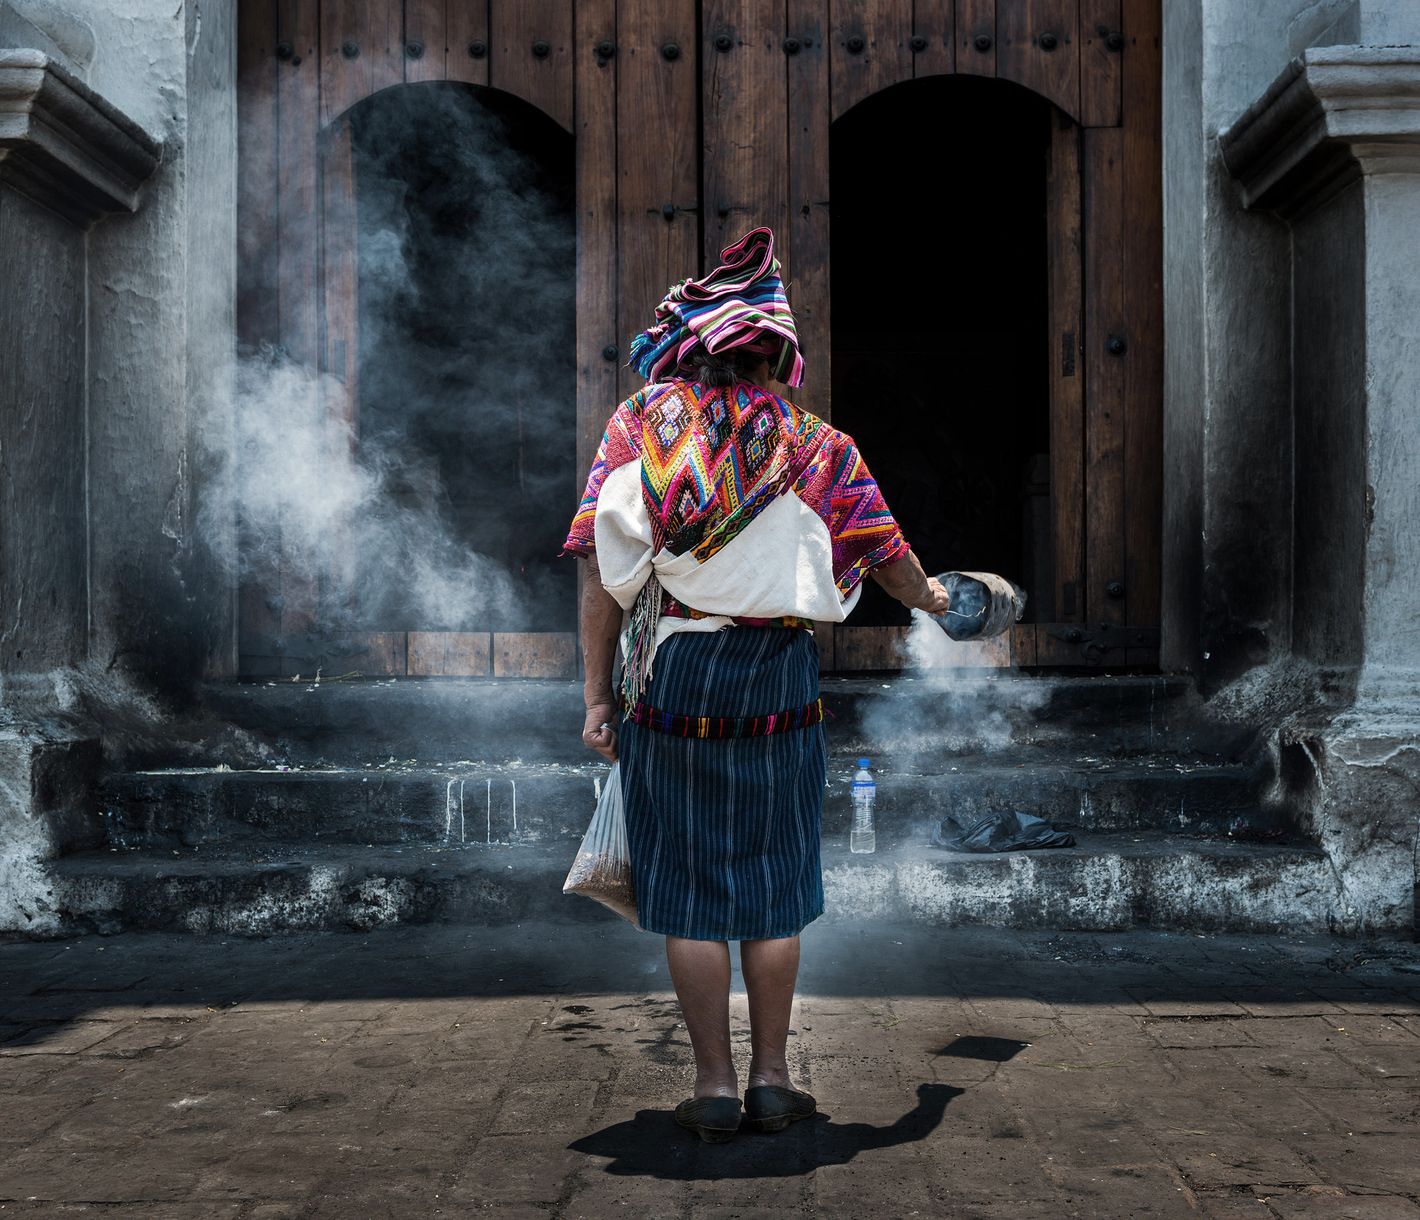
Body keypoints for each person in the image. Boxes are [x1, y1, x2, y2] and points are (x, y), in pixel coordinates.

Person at [563, 227, 948, 1143]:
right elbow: (888, 557)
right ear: (777, 348)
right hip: (778, 669)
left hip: (675, 672)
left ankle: (712, 1089)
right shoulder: (819, 447)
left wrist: (595, 699)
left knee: (691, 889)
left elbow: (595, 570)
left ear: (691, 345)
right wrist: (936, 599)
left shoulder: (639, 431)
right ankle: (774, 1080)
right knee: (773, 882)